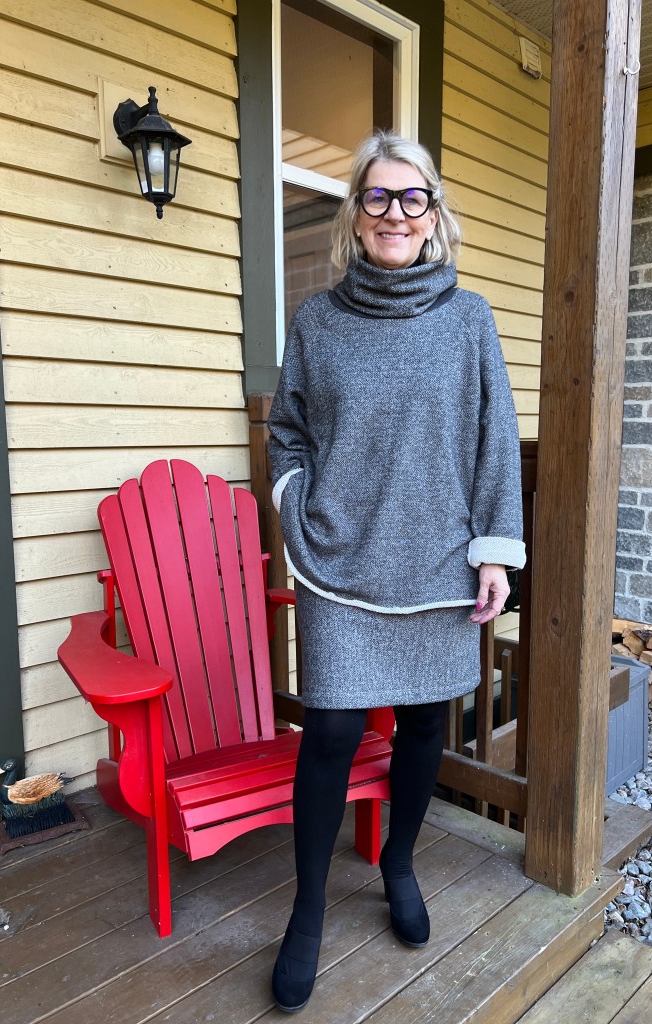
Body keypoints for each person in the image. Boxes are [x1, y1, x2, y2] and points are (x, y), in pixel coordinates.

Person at [266, 130, 526, 1013]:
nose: (394, 214)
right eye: (377, 196)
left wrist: (496, 550)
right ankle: (307, 913)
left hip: (438, 561)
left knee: (422, 726)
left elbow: (496, 442)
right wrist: (295, 498)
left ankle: (399, 865)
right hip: (339, 559)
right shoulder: (317, 321)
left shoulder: (469, 319)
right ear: (355, 214)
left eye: (412, 198)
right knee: (332, 732)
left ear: (434, 215)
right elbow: (287, 430)